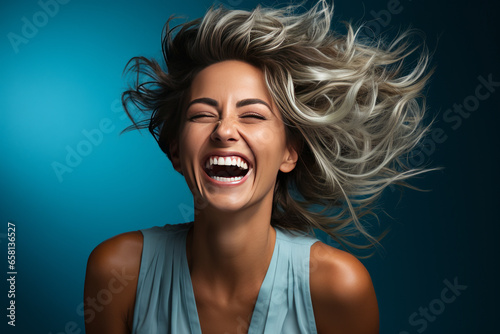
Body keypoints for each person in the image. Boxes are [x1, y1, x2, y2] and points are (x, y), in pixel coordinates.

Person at [84, 1, 430, 333]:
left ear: (289, 153)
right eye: (203, 115)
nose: (224, 130)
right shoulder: (119, 274)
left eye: (252, 115)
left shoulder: (337, 287)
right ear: (175, 151)